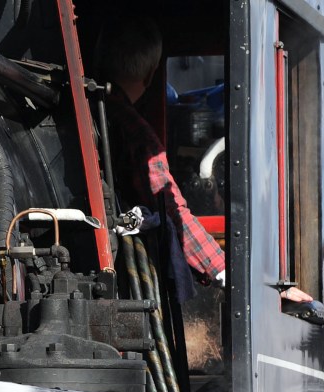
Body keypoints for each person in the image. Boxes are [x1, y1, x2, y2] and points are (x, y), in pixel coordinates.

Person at [94, 16, 226, 286]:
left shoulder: (85, 111)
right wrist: (221, 268)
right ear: (152, 73)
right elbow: (169, 207)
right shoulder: (138, 136)